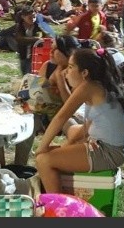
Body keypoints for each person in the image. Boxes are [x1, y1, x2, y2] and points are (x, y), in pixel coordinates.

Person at [34, 48, 124, 194]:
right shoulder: (102, 84)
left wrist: (41, 148)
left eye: (70, 67)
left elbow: (60, 118)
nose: (65, 72)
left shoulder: (89, 87)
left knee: (43, 160)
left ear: (85, 73)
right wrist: (67, 146)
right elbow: (87, 127)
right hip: (115, 147)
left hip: (109, 152)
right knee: (73, 131)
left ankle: (58, 207)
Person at [13, 35, 82, 166]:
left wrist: (60, 78)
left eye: (55, 49)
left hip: (65, 115)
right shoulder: (48, 65)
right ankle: (19, 166)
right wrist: (26, 94)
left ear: (68, 53)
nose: (50, 52)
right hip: (43, 112)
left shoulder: (77, 72)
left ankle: (69, 165)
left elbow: (70, 104)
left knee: (75, 131)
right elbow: (35, 90)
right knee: (27, 123)